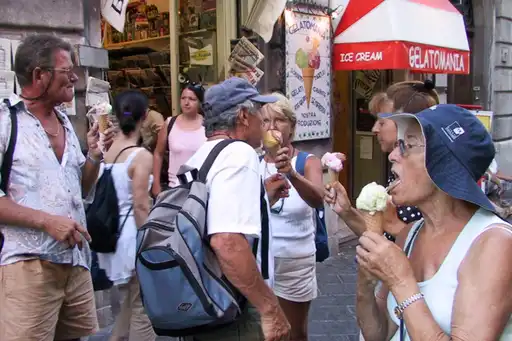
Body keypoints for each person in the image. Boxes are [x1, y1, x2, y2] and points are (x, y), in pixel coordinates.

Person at [339, 104, 512, 340]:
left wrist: (400, 280)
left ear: (443, 164)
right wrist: (365, 286)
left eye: (407, 146)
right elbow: (377, 334)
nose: (392, 154)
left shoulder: (494, 244)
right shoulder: (409, 234)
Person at [0, 34, 114, 341]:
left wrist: (93, 155)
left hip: (75, 264)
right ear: (39, 75)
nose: (75, 78)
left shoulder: (65, 121)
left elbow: (79, 188)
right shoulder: (6, 122)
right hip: (29, 266)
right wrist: (47, 221)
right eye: (67, 72)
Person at [183, 77, 291, 341]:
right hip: (232, 304)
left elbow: (211, 218)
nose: (262, 121)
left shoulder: (203, 155)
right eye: (258, 113)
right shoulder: (239, 155)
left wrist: (261, 197)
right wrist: (270, 308)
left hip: (205, 298)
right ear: (243, 116)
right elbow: (227, 241)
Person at [328, 80, 439, 239]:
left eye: (381, 122)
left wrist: (393, 223)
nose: (374, 129)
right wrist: (346, 211)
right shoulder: (398, 172)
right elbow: (381, 237)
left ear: (408, 123)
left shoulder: (427, 178)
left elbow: (433, 252)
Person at [259, 93, 324, 341]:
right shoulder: (253, 161)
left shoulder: (307, 161)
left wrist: (292, 175)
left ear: (292, 127)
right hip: (263, 261)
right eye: (265, 121)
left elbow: (318, 200)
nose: (272, 127)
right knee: (266, 332)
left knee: (295, 332)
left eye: (279, 121)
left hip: (295, 260)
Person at [96, 90, 155, 341]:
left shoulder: (105, 153)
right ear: (144, 117)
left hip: (112, 238)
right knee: (144, 308)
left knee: (127, 305)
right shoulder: (140, 156)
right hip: (133, 237)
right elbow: (141, 205)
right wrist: (152, 244)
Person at [152, 83, 206, 196]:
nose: (186, 103)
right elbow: (158, 153)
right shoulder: (170, 123)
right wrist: (156, 183)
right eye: (183, 98)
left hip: (200, 188)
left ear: (200, 102)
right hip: (174, 188)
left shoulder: (207, 125)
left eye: (192, 99)